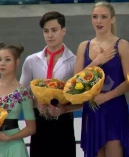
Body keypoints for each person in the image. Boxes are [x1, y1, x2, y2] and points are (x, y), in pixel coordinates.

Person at [74, 2, 129, 157]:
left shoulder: (122, 45)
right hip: (92, 110)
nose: (98, 21)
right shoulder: (83, 46)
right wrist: (96, 62)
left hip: (114, 109)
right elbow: (75, 83)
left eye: (103, 17)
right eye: (95, 17)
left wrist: (106, 97)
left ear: (112, 19)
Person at [19, 11, 77, 157]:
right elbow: (22, 94)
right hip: (39, 123)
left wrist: (64, 109)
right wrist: (35, 103)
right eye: (46, 31)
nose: (50, 35)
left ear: (63, 31)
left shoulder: (74, 61)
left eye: (54, 30)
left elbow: (82, 98)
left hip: (64, 123)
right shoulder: (31, 61)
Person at [0, 43, 36, 157]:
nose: (2, 63)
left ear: (17, 62)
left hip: (15, 147)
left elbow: (31, 128)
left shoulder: (22, 92)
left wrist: (9, 137)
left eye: (7, 59)